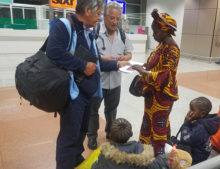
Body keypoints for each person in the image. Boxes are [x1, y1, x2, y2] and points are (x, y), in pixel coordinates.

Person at [46, 0, 128, 168]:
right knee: (69, 136)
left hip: (86, 94)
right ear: (88, 10)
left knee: (80, 132)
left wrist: (117, 65)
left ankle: (75, 159)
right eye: (98, 14)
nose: (99, 19)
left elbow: (96, 63)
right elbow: (53, 52)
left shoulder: (88, 32)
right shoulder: (63, 26)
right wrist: (82, 65)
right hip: (73, 94)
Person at [132, 9, 180, 156]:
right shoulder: (161, 45)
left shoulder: (172, 49)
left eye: (156, 31)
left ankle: (158, 156)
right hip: (151, 92)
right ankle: (145, 149)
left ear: (166, 32)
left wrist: (144, 72)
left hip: (163, 95)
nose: (153, 35)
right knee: (148, 120)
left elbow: (166, 74)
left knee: (158, 124)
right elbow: (152, 64)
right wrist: (143, 66)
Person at [87, 1, 134, 150]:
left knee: (111, 110)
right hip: (97, 81)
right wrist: (101, 59)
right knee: (93, 111)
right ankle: (92, 137)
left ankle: (110, 132)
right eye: (112, 18)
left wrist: (125, 58)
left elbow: (129, 53)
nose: (115, 22)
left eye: (117, 19)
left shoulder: (122, 35)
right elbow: (87, 55)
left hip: (115, 81)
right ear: (104, 17)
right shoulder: (94, 32)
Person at [91, 118, 177, 169]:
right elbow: (152, 166)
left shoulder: (104, 154)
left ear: (110, 135)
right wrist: (164, 157)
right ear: (131, 134)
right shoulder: (140, 154)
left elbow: (96, 166)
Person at [180, 97, 220, 165]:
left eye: (192, 110)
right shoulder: (206, 122)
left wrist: (186, 124)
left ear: (202, 114)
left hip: (194, 160)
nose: (189, 112)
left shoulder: (200, 129)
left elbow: (185, 139)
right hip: (201, 155)